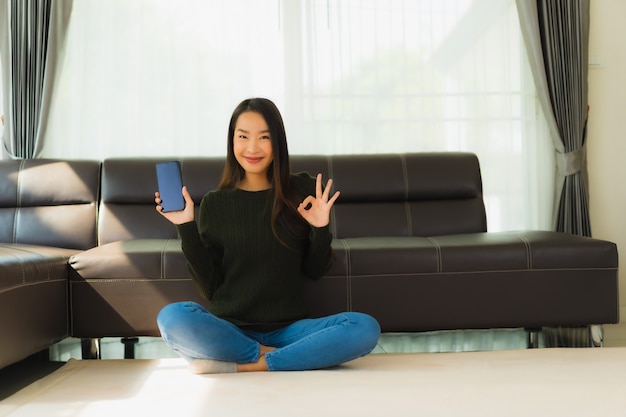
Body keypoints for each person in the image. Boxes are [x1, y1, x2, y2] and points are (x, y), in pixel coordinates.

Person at [155, 98, 380, 373]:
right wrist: (185, 226)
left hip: (289, 330)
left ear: (278, 142)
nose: (252, 147)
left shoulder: (302, 189)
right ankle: (278, 356)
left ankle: (246, 365)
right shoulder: (216, 203)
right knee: (172, 316)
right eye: (243, 137)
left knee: (364, 328)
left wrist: (321, 228)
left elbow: (314, 270)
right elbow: (209, 288)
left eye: (264, 137)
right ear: (232, 141)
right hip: (231, 329)